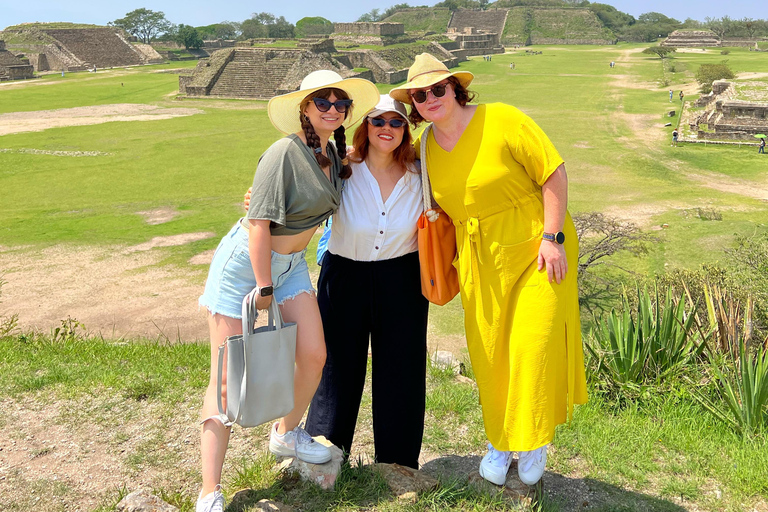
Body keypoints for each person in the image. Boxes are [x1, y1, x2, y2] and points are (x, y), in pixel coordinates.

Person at [390, 53, 588, 487]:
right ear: (414, 106)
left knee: (533, 347)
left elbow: (553, 173)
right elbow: (382, 164)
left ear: (455, 89)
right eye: (420, 95)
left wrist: (552, 238)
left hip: (537, 248)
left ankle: (532, 439)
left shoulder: (503, 119)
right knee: (491, 354)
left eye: (438, 89)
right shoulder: (424, 147)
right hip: (479, 260)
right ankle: (501, 440)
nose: (430, 99)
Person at [195, 70, 378, 512]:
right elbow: (258, 225)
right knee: (226, 379)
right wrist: (262, 286)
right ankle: (209, 491)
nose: (333, 109)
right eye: (323, 102)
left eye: (341, 103)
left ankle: (285, 433)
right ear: (305, 107)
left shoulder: (334, 155)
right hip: (247, 267)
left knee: (314, 354)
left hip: (292, 265)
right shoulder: (283, 152)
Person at [305, 95, 428, 469]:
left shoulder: (421, 175)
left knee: (402, 370)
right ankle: (325, 453)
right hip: (345, 274)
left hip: (402, 277)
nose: (386, 129)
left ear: (406, 129)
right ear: (366, 127)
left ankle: (397, 463)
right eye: (379, 121)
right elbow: (295, 195)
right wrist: (255, 201)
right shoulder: (342, 168)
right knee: (336, 368)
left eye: (396, 122)